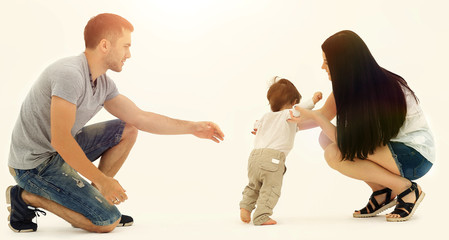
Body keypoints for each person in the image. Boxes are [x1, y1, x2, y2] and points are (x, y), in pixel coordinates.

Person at [6, 13, 224, 233]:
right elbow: (61, 139)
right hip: (33, 165)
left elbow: (140, 118)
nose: (128, 54)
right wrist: (102, 179)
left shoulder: (103, 84)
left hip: (58, 152)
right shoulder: (69, 75)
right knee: (106, 222)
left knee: (127, 129)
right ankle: (25, 196)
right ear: (104, 45)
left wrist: (192, 127)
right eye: (126, 46)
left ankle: (95, 202)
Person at [289, 30, 435, 222]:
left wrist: (318, 119)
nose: (322, 66)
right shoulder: (347, 87)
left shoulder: (380, 89)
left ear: (343, 62)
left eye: (327, 60)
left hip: (414, 157)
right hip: (390, 152)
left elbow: (352, 142)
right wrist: (280, 126)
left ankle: (407, 189)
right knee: (326, 139)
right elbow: (322, 116)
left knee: (333, 147)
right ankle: (382, 191)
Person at [239, 77, 322, 225]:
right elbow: (299, 110)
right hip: (273, 158)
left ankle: (245, 207)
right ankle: (261, 216)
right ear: (294, 102)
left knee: (254, 185)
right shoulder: (289, 114)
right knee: (271, 188)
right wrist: (313, 100)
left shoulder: (265, 116)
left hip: (254, 157)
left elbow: (256, 127)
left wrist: (257, 131)